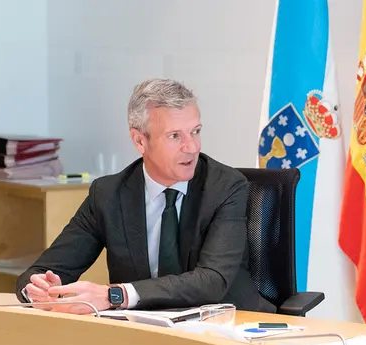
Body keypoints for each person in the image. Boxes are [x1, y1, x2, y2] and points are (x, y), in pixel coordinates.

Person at [16, 78, 275, 314]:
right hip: (144, 333)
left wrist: (114, 295)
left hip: (229, 329)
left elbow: (212, 280)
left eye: (195, 131)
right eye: (175, 136)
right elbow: (42, 270)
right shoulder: (108, 195)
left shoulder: (226, 187)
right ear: (140, 141)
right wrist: (37, 288)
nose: (192, 147)